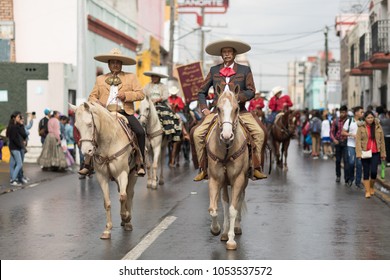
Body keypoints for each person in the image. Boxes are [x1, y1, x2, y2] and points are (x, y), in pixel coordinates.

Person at [191, 38, 267, 181]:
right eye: (224, 52)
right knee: (196, 134)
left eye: (229, 52)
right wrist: (204, 109)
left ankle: (256, 166)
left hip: (240, 111)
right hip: (217, 112)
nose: (226, 54)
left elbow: (251, 90)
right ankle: (203, 168)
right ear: (221, 55)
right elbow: (201, 92)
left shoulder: (245, 70)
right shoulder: (214, 70)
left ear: (234, 54)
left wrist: (237, 98)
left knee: (260, 132)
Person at [79, 48, 145, 176]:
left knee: (140, 132)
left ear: (121, 64)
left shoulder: (130, 77)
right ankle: (87, 163)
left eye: (118, 62)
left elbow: (141, 94)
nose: (115, 64)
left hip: (124, 112)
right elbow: (91, 96)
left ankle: (140, 162)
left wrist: (126, 95)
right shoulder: (100, 79)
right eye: (112, 62)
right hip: (105, 113)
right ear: (108, 64)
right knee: (90, 131)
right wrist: (98, 103)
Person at [143, 71, 182, 167]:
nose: (154, 78)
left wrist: (158, 99)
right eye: (153, 76)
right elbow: (142, 93)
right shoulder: (147, 86)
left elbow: (165, 95)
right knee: (142, 116)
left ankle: (169, 132)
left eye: (156, 77)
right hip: (149, 104)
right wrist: (147, 100)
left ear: (159, 78)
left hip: (161, 104)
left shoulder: (163, 86)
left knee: (169, 116)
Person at [356, 111, 386, 198]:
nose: (370, 119)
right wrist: (358, 153)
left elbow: (382, 141)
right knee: (366, 171)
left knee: (374, 172)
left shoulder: (378, 126)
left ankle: (372, 186)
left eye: (371, 118)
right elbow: (357, 141)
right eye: (368, 118)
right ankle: (367, 191)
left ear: (374, 118)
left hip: (376, 152)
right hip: (365, 152)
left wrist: (383, 154)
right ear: (365, 118)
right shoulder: (361, 127)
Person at [342, 106, 364, 188]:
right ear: (356, 113)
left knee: (359, 164)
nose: (362, 113)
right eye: (361, 112)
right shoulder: (349, 121)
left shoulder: (363, 122)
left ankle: (358, 182)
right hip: (350, 145)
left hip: (360, 146)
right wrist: (351, 134)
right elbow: (343, 132)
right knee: (351, 163)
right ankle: (351, 179)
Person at [6, 111, 27, 186]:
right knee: (19, 164)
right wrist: (21, 146)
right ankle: (13, 180)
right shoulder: (14, 127)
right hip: (15, 148)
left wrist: (21, 125)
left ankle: (13, 178)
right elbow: (19, 137)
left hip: (11, 147)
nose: (20, 118)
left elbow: (22, 135)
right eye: (18, 117)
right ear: (14, 118)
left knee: (12, 164)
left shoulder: (10, 126)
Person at [330, 105, 349, 183]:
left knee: (346, 160)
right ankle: (338, 176)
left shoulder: (349, 121)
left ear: (346, 112)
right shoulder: (336, 121)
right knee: (338, 160)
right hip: (338, 142)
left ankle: (346, 178)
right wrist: (334, 139)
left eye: (344, 112)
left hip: (346, 142)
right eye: (341, 112)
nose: (342, 114)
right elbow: (331, 132)